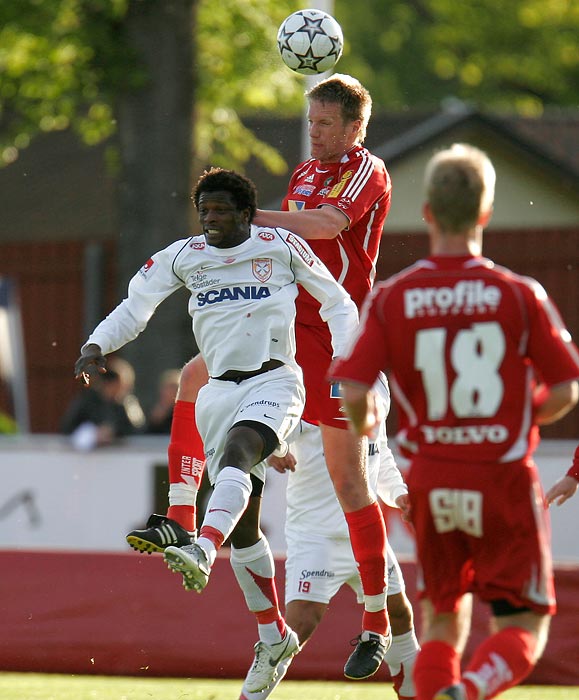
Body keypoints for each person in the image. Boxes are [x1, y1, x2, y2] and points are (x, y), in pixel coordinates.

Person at [127, 73, 394, 679]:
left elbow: (326, 226)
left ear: (355, 125)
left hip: (333, 337)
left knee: (352, 483)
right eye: (312, 121)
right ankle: (182, 519)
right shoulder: (302, 173)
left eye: (326, 124)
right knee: (194, 380)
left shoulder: (367, 169)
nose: (315, 133)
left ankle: (376, 620)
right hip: (283, 326)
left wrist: (249, 219)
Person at [74, 167, 359, 693]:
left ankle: (200, 545)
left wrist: (346, 361)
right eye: (204, 210)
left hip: (275, 380)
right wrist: (96, 345)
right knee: (246, 530)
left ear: (246, 213)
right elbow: (137, 307)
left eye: (222, 210)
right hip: (218, 392)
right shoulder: (184, 256)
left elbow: (338, 302)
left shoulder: (280, 245)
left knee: (239, 454)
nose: (211, 219)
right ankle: (272, 635)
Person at [329, 143, 579, 700]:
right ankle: (470, 691)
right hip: (503, 476)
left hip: (433, 480)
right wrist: (515, 418)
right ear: (485, 214)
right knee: (523, 626)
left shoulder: (394, 297)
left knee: (442, 617)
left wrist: (364, 418)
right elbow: (566, 387)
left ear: (427, 213)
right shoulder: (519, 295)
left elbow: (351, 385)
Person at [239, 377, 420, 700]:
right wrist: (275, 448)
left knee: (400, 614)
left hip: (365, 534)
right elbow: (269, 423)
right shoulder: (305, 376)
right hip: (316, 535)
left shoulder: (376, 382)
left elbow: (380, 453)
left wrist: (399, 494)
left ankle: (415, 693)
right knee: (297, 628)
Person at [60, 365, 141, 450]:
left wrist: (113, 432)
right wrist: (93, 433)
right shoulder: (87, 402)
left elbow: (136, 430)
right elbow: (68, 427)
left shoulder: (126, 404)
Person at [144, 368, 181, 434]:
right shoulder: (151, 411)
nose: (172, 392)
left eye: (175, 388)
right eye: (169, 388)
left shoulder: (184, 412)